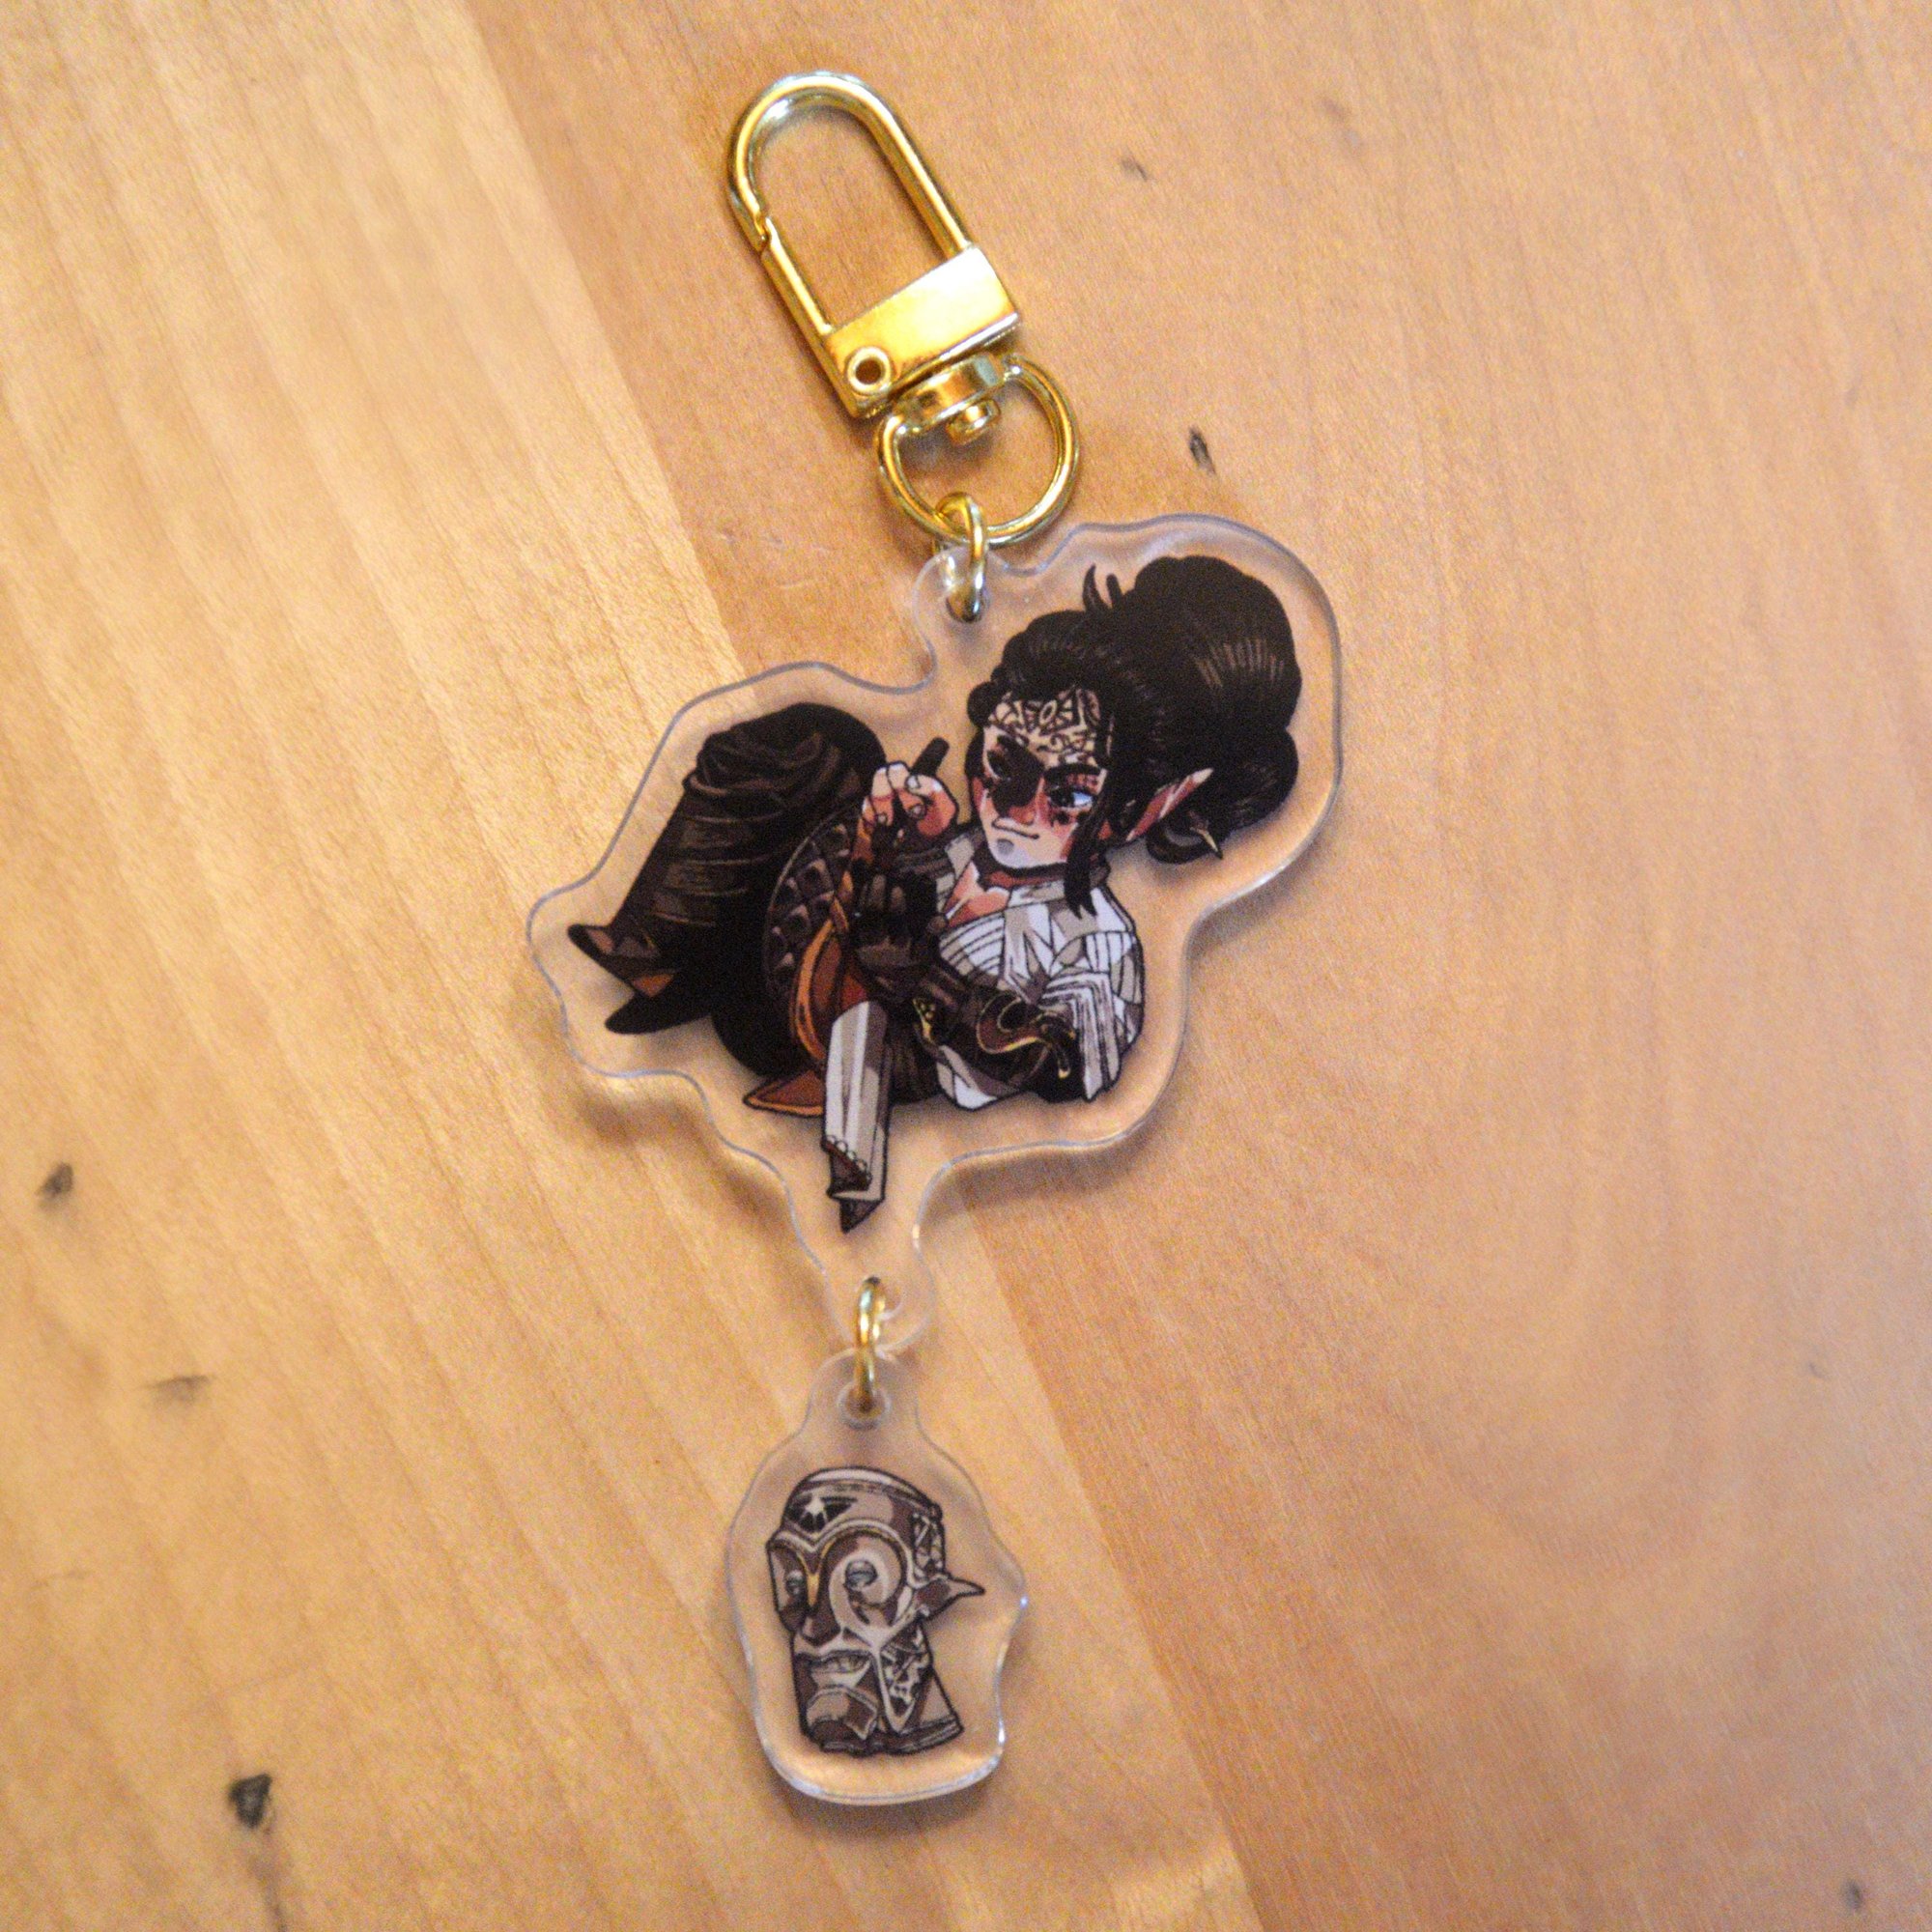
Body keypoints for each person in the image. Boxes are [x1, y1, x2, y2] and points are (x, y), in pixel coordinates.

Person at [569, 553, 1302, 1225]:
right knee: (828, 745)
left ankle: (842, 1163)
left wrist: (926, 982)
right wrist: (892, 843)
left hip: (839, 1060)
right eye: (1004, 765)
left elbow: (1058, 1064)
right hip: (766, 949)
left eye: (1067, 797)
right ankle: (655, 948)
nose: (1015, 808)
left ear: (1148, 808)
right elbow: (876, 873)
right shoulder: (949, 838)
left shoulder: (1098, 946)